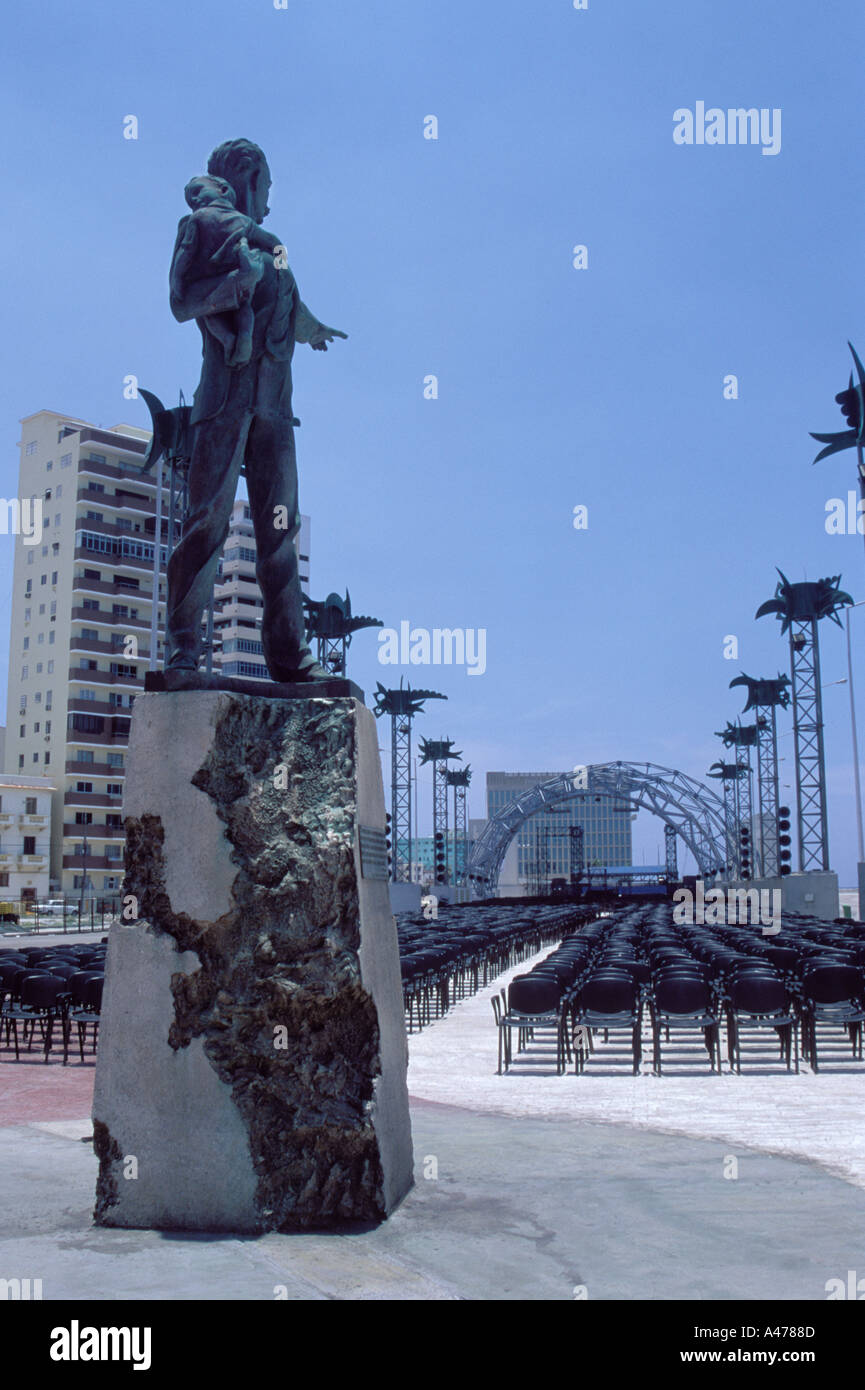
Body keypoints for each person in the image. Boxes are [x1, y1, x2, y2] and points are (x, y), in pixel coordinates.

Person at [166, 138, 347, 682]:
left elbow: (288, 303)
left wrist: (311, 327)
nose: (268, 200)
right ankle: (182, 652)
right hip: (223, 402)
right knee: (206, 525)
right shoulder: (200, 227)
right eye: (266, 185)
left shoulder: (274, 249)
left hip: (274, 409)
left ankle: (290, 659)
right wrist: (236, 283)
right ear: (245, 177)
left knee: (279, 531)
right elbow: (181, 302)